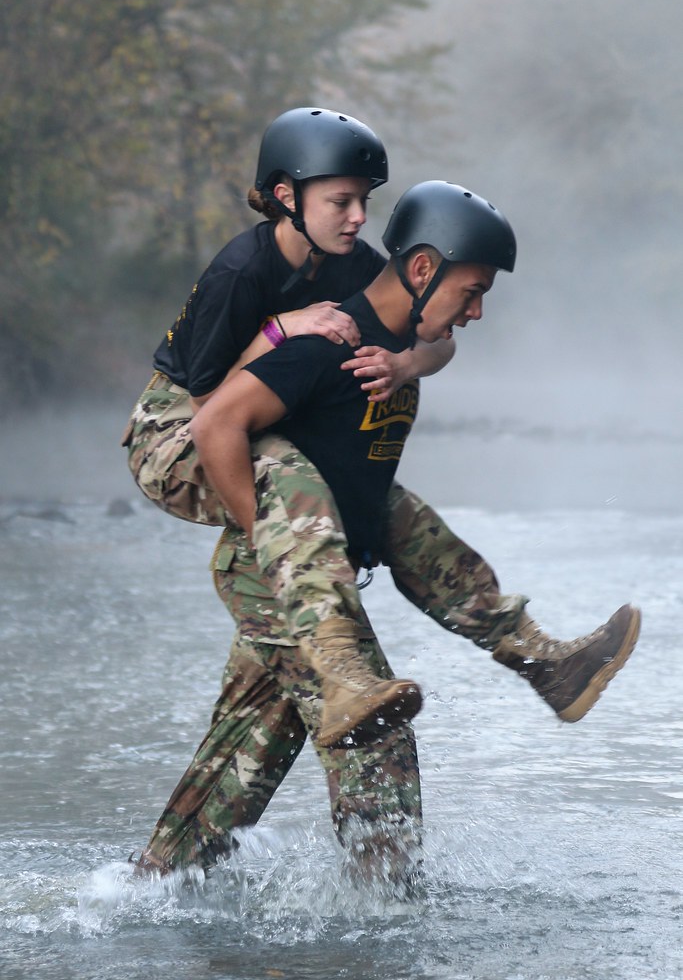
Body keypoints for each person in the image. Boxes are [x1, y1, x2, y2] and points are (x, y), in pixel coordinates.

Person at [132, 181, 640, 878]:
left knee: (246, 748)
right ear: (423, 270)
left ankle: (155, 887)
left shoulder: (398, 342)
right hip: (279, 576)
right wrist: (270, 544)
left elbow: (433, 358)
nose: (478, 310)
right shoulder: (325, 343)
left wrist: (406, 362)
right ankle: (384, 920)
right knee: (373, 727)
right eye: (471, 291)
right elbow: (215, 422)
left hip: (308, 576)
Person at [122, 106, 457, 740]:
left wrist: (404, 362)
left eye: (364, 201)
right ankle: (320, 638)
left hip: (262, 420)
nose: (359, 217)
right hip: (172, 428)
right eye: (342, 201)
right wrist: (282, 329)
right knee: (290, 477)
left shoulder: (355, 265)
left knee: (374, 500)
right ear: (286, 197)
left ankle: (526, 647)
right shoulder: (239, 272)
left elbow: (440, 336)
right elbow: (211, 410)